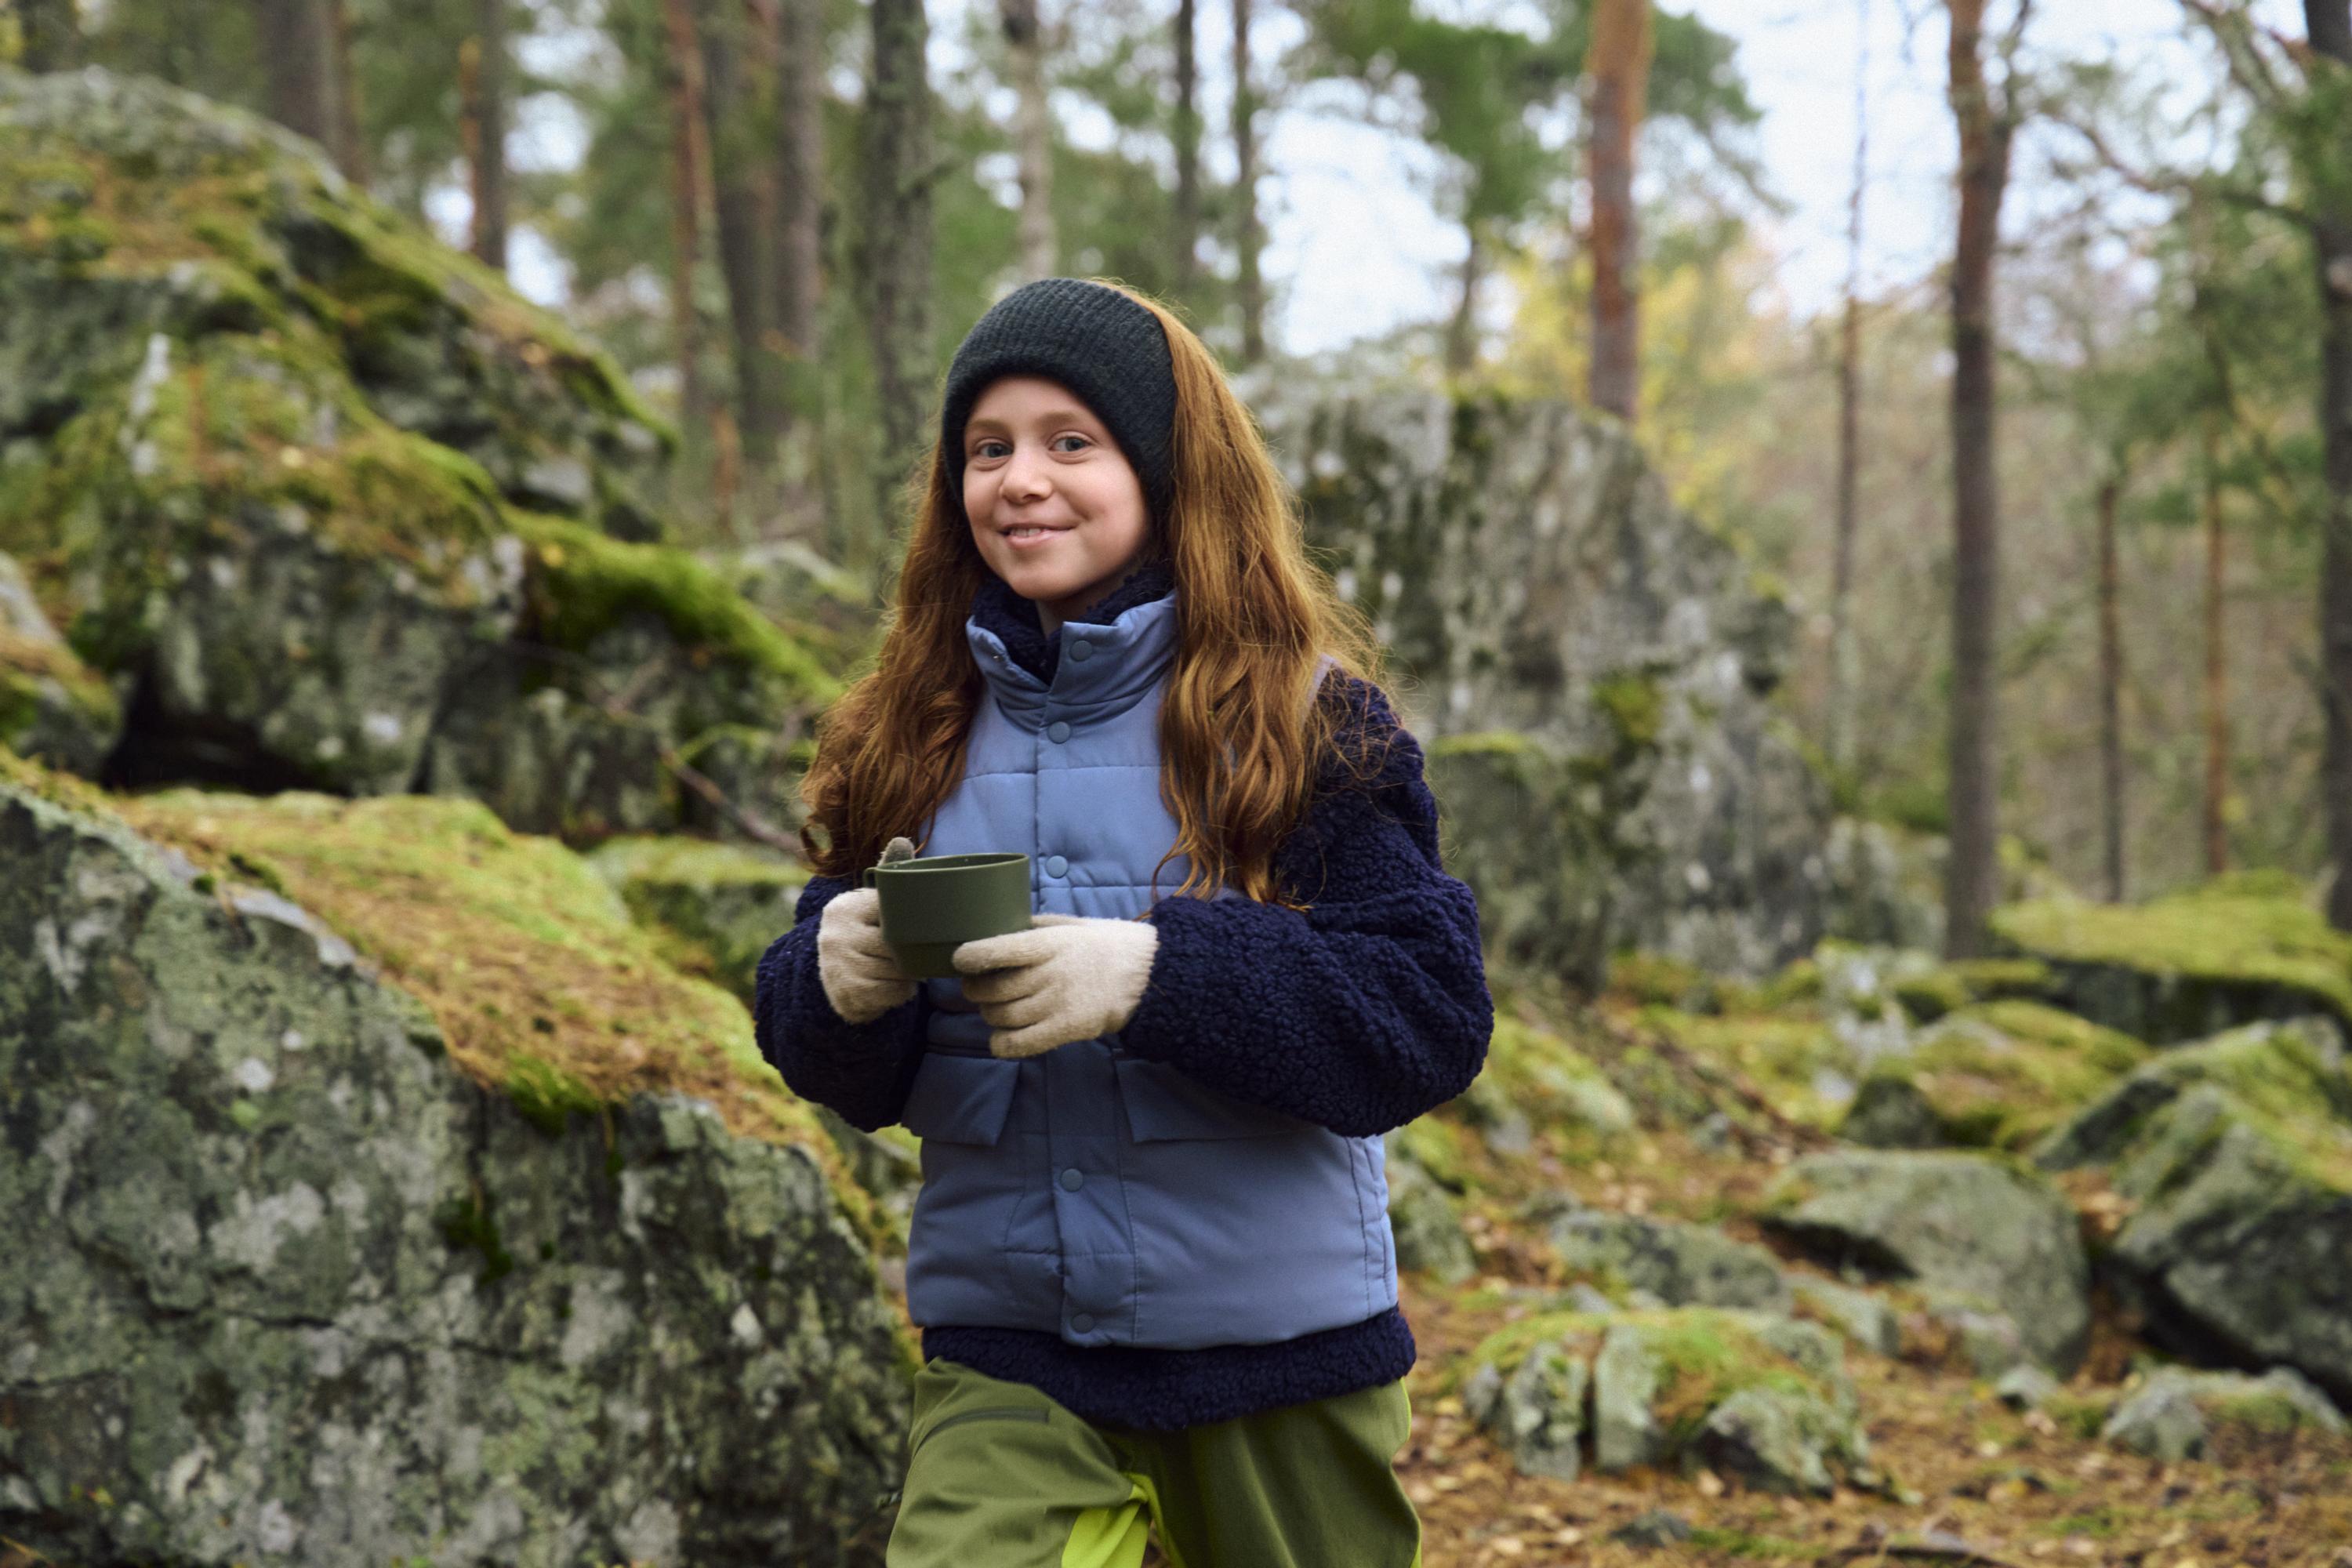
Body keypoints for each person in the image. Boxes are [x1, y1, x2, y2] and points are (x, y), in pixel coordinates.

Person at [754, 275, 1493, 1568]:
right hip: (1012, 1356)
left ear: (1169, 472)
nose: (1019, 480)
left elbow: (1426, 1016)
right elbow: (839, 1063)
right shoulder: (905, 730)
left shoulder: (1303, 723)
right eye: (987, 449)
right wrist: (831, 984)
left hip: (1278, 1356)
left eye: (1069, 442)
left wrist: (1157, 975)